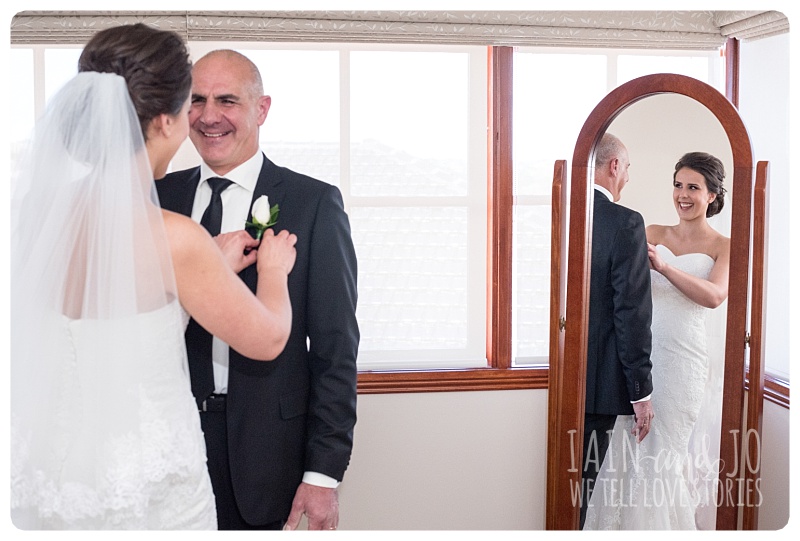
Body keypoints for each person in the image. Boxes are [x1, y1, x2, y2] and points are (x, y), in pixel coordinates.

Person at [10, 24, 297, 529]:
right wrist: (272, 273)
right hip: (148, 475)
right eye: (190, 106)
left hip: (55, 470)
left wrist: (202, 275)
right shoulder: (174, 237)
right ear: (165, 121)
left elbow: (112, 315)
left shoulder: (38, 210)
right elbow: (269, 339)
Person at [156, 49, 359, 531]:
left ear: (261, 109)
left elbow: (335, 349)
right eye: (197, 100)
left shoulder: (313, 203)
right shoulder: (156, 198)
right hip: (167, 444)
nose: (209, 117)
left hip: (270, 456)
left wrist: (322, 474)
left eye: (227, 100)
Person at [583, 151, 730, 530]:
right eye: (678, 185)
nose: (683, 194)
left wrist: (664, 267)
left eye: (693, 187)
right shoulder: (650, 233)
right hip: (640, 356)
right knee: (628, 449)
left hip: (684, 360)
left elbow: (714, 296)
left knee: (665, 451)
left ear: (711, 195)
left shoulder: (723, 245)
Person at [580, 132, 655, 528]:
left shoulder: (565, 211)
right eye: (626, 169)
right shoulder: (625, 222)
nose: (625, 179)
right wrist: (640, 391)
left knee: (565, 489)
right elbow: (632, 312)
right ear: (613, 166)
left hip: (562, 376)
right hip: (601, 383)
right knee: (583, 488)